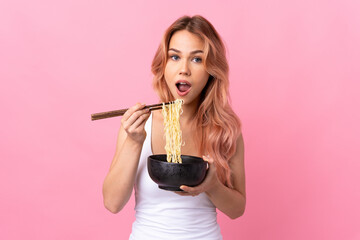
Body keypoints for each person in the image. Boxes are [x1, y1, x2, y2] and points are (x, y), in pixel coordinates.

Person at [102, 15, 246, 240]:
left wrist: (212, 185)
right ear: (164, 64)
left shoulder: (225, 130)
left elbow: (237, 209)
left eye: (197, 59)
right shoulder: (138, 127)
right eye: (175, 57)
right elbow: (112, 203)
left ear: (211, 71)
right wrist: (134, 142)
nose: (184, 69)